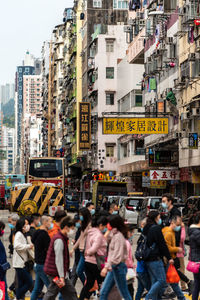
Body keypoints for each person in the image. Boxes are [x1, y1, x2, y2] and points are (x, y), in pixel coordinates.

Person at [43, 216, 77, 300]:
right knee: (52, 294)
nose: (73, 231)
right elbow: (59, 260)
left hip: (58, 273)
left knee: (70, 293)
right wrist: (62, 277)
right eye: (72, 229)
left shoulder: (62, 237)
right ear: (66, 228)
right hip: (56, 273)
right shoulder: (59, 240)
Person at [142, 210, 173, 300]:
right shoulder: (156, 228)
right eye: (159, 217)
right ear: (155, 218)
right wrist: (169, 257)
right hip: (155, 258)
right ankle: (148, 297)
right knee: (162, 280)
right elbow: (162, 244)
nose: (160, 219)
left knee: (154, 281)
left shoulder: (146, 227)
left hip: (147, 258)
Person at [100, 215, 132, 300]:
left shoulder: (118, 237)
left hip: (118, 267)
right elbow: (104, 241)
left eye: (109, 223)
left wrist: (106, 267)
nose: (107, 225)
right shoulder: (114, 234)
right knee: (103, 292)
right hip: (114, 267)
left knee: (124, 293)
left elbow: (117, 256)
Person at [79, 216, 107, 300]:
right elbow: (94, 248)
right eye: (105, 226)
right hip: (96, 263)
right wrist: (89, 252)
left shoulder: (90, 232)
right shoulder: (98, 235)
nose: (105, 228)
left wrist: (87, 253)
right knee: (103, 283)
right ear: (101, 225)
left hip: (88, 262)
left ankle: (83, 298)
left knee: (89, 283)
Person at [162, 215, 186, 300]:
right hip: (168, 259)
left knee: (171, 281)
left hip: (169, 259)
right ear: (172, 223)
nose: (179, 227)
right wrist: (177, 249)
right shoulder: (168, 233)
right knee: (172, 281)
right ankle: (181, 297)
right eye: (178, 224)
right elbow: (167, 248)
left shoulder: (170, 231)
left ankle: (180, 297)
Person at [30, 216, 52, 300]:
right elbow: (49, 250)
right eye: (50, 222)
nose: (51, 224)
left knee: (37, 288)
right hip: (43, 264)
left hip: (37, 263)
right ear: (45, 222)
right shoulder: (44, 235)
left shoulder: (37, 232)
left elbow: (33, 242)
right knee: (50, 288)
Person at [13, 217, 33, 300]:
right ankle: (18, 296)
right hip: (20, 264)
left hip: (21, 263)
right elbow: (16, 245)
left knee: (20, 283)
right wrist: (28, 246)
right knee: (29, 283)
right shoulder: (19, 234)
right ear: (22, 226)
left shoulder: (22, 234)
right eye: (26, 224)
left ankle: (18, 297)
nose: (28, 226)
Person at [70, 207, 92, 285]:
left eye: (81, 215)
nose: (80, 216)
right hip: (81, 251)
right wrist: (73, 249)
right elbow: (80, 238)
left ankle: (88, 288)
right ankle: (89, 288)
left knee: (79, 271)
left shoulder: (90, 225)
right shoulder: (83, 225)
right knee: (79, 271)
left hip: (86, 252)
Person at [135, 219, 151, 300]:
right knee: (151, 290)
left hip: (139, 269)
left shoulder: (142, 238)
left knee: (140, 290)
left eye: (142, 225)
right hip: (143, 270)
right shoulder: (146, 239)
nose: (141, 226)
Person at [188, 212, 200, 300]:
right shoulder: (197, 232)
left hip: (195, 261)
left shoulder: (192, 231)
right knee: (197, 284)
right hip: (198, 261)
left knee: (197, 284)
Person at [70, 215, 81, 286]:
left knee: (77, 272)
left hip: (80, 255)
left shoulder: (82, 230)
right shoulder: (79, 230)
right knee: (75, 273)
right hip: (78, 255)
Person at [0, 221, 10, 300]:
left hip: (2, 270)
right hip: (1, 271)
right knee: (3, 290)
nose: (2, 231)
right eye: (1, 229)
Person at [177, 222, 187, 291]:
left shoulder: (171, 228)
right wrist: (183, 228)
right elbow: (182, 238)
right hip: (179, 253)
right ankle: (183, 286)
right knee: (181, 270)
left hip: (173, 253)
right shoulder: (180, 229)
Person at [126, 224, 135, 299]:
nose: (132, 235)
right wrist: (131, 265)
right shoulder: (126, 243)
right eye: (132, 232)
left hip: (125, 268)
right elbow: (127, 258)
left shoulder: (126, 242)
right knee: (129, 290)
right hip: (126, 269)